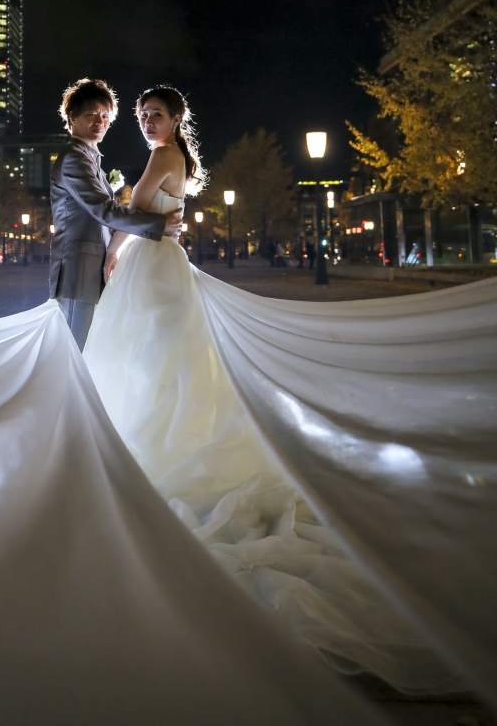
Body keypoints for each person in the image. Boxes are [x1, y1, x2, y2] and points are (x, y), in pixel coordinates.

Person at [84, 84, 462, 694]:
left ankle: (145, 449)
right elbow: (161, 214)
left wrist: (113, 255)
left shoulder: (160, 158)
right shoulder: (175, 158)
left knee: (149, 357)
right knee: (167, 360)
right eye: (143, 116)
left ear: (178, 117)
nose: (149, 123)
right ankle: (160, 437)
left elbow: (138, 219)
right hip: (168, 266)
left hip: (151, 269)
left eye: (157, 115)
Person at [49, 77, 182, 350]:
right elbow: (103, 210)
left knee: (90, 353)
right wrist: (158, 224)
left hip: (94, 268)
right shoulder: (74, 158)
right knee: (74, 353)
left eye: (105, 115)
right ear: (72, 118)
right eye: (91, 115)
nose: (100, 121)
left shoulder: (90, 159)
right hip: (78, 271)